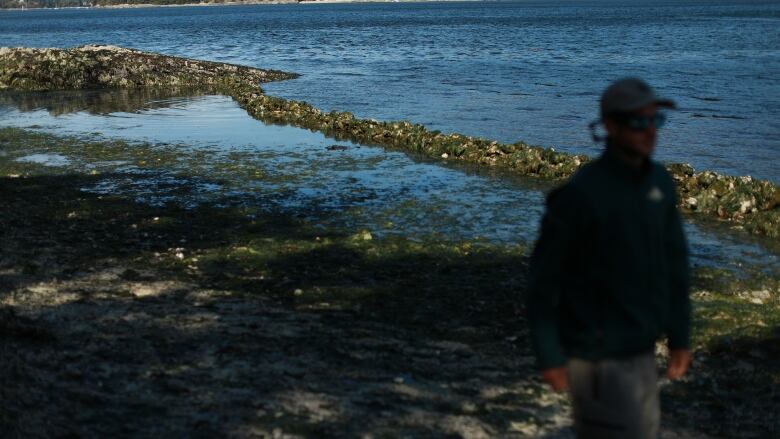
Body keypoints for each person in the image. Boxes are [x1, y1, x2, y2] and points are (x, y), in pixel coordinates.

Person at [526, 78, 692, 439]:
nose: (650, 131)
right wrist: (549, 354)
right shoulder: (580, 195)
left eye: (656, 121)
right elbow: (542, 279)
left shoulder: (660, 184)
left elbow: (676, 265)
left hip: (642, 350)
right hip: (595, 357)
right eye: (638, 122)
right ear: (611, 126)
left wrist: (680, 336)